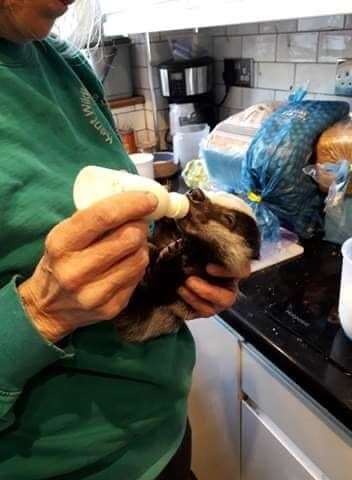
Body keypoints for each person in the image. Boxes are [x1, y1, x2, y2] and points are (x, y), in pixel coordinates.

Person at [0, 1, 248, 478]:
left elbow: (136, 235)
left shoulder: (60, 62)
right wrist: (40, 311)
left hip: (163, 441)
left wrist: (178, 276)